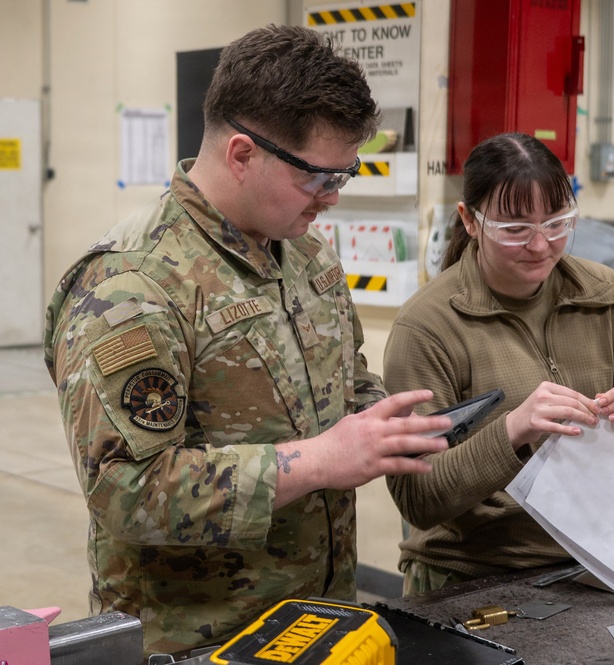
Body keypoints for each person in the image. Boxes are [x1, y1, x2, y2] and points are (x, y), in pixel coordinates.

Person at [42, 24, 452, 656]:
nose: (332, 201)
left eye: (345, 176)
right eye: (320, 179)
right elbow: (128, 492)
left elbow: (344, 382)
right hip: (200, 640)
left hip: (319, 621)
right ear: (241, 154)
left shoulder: (304, 255)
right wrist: (317, 461)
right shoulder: (131, 285)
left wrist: (385, 419)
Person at [382, 132, 614, 595]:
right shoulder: (427, 328)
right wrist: (512, 433)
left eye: (557, 223)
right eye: (515, 229)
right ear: (469, 221)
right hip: (469, 580)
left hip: (604, 568)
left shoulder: (606, 297)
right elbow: (419, 499)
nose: (541, 245)